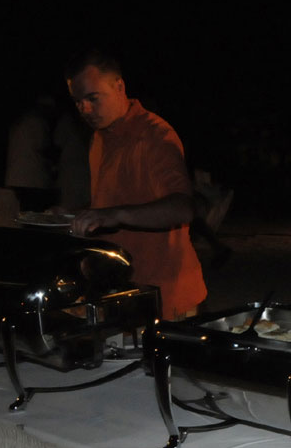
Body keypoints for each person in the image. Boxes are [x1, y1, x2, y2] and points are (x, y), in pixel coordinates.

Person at [65, 49, 206, 320]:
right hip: (122, 288)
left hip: (165, 293)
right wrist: (76, 213)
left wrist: (113, 214)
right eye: (77, 101)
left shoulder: (154, 136)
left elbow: (182, 207)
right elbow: (111, 203)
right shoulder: (99, 138)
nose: (84, 109)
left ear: (119, 86)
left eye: (92, 98)